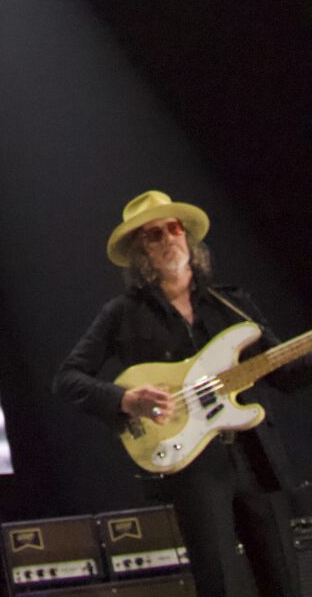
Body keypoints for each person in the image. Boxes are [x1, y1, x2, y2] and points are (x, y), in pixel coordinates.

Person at [54, 189, 309, 597]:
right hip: (194, 468)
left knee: (285, 582)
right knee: (220, 584)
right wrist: (125, 400)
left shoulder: (232, 304)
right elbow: (68, 378)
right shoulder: (122, 313)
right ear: (140, 252)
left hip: (254, 454)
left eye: (174, 228)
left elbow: (284, 375)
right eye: (154, 234)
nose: (169, 238)